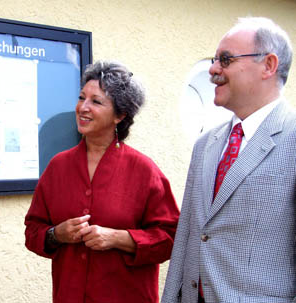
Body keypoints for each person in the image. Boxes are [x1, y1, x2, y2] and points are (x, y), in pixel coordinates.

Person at [162, 17, 295, 303]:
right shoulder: (205, 145)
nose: (212, 70)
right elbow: (187, 236)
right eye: (215, 59)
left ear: (268, 66)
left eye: (225, 60)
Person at [25, 60, 180, 303]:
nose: (83, 107)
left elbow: (170, 239)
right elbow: (33, 231)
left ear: (120, 115)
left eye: (96, 101)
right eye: (81, 97)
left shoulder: (144, 171)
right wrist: (57, 234)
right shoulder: (58, 167)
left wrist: (119, 238)